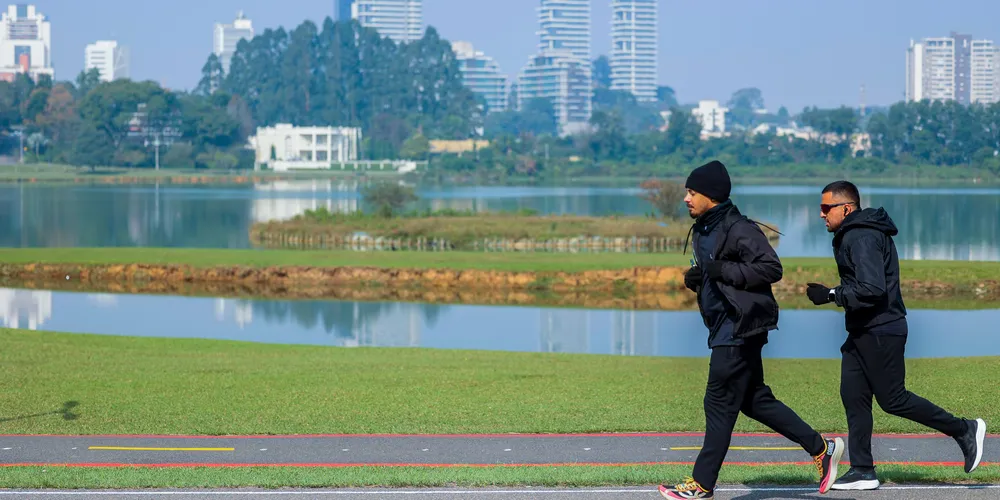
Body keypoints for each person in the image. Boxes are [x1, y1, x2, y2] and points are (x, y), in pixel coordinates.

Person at [658, 160, 844, 500]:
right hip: (724, 326)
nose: (685, 198)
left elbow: (771, 268)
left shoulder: (738, 228)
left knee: (718, 402)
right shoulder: (703, 227)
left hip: (740, 327)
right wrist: (699, 280)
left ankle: (701, 484)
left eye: (692, 192)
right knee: (754, 400)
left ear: (710, 195)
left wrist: (721, 270)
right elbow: (718, 273)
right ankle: (822, 449)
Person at [806, 180, 986, 491]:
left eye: (826, 208)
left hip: (881, 329)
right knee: (853, 394)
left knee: (893, 400)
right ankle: (863, 470)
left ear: (845, 208)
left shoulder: (860, 236)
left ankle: (964, 429)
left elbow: (873, 289)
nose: (822, 215)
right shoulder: (856, 233)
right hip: (863, 330)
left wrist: (832, 294)